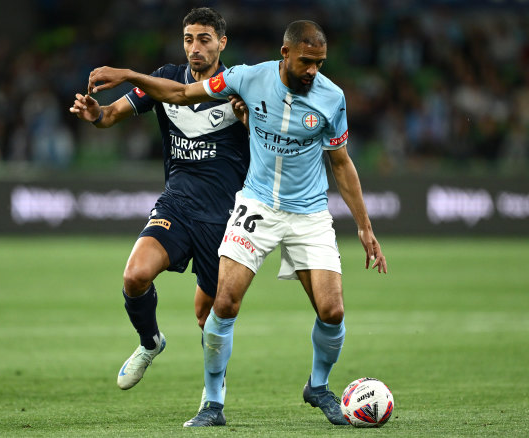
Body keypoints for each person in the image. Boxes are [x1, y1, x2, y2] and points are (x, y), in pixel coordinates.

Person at [87, 20, 387, 428]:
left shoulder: (332, 98)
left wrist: (364, 227)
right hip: (256, 206)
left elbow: (341, 163)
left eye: (319, 63)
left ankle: (319, 386)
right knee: (221, 305)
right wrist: (126, 77)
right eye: (306, 62)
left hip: (309, 212)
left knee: (332, 311)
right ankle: (212, 405)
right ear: (285, 54)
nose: (313, 71)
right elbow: (178, 93)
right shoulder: (246, 79)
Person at [69, 7, 249, 409]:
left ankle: (213, 390)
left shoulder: (239, 87)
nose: (195, 48)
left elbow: (265, 138)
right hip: (178, 205)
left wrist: (250, 121)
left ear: (222, 42)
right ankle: (150, 341)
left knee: (209, 315)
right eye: (189, 39)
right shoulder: (165, 78)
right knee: (135, 275)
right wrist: (96, 114)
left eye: (204, 39)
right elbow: (111, 115)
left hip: (224, 217)